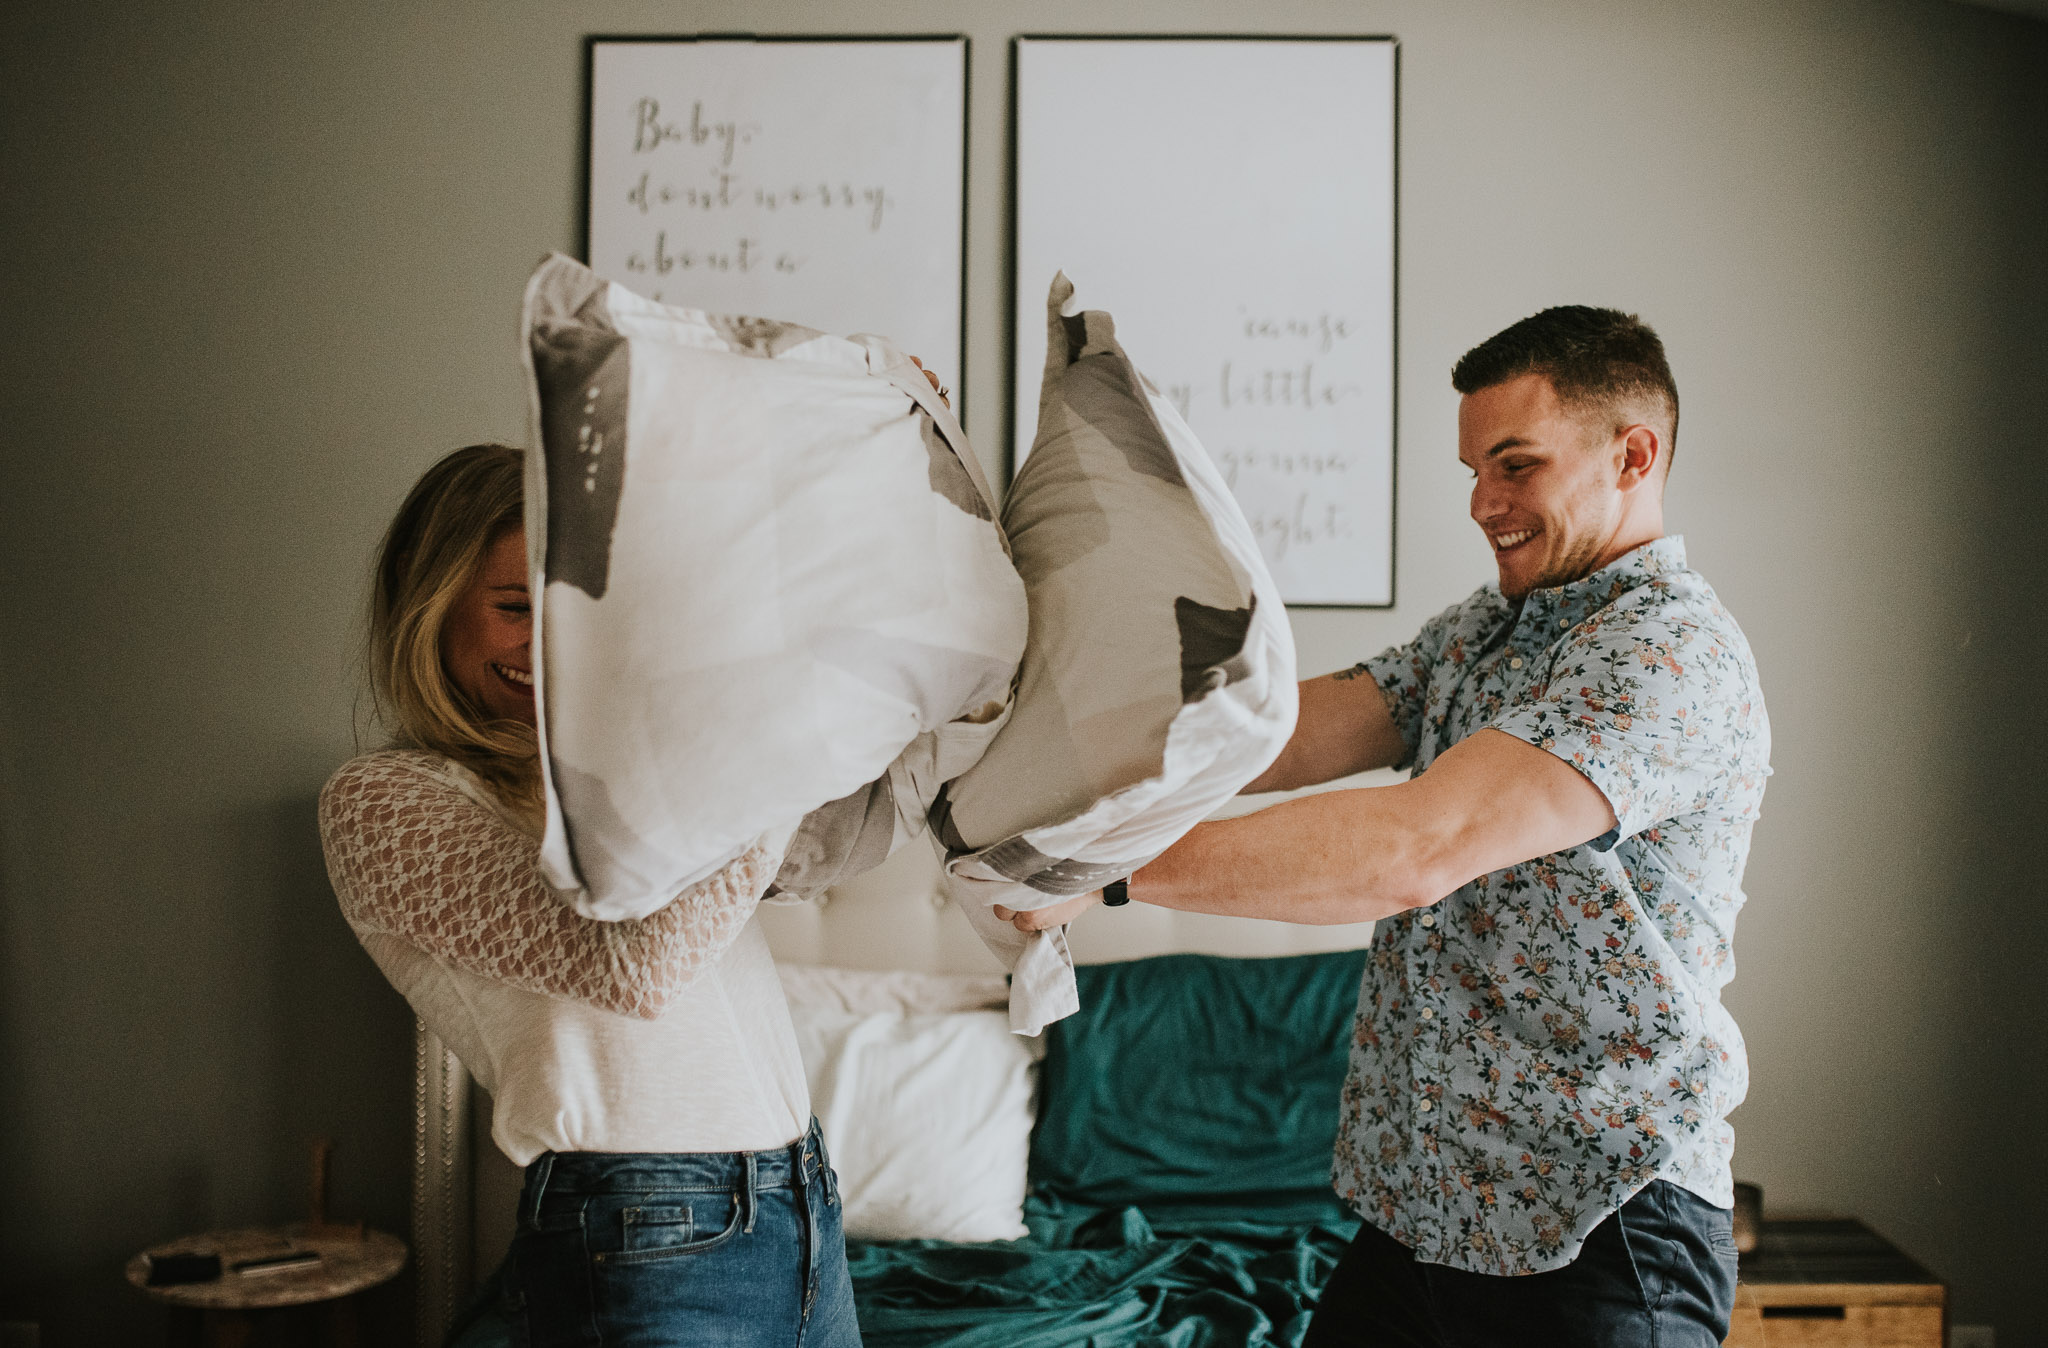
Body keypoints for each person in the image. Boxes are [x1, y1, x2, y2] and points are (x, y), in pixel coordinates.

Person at [1001, 307, 1769, 1346]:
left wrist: (1101, 868)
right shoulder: (1484, 630)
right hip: (1421, 1215)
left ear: (1631, 456)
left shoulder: (1669, 656)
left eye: (1515, 465)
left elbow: (1419, 846)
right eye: (1473, 471)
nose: (1482, 502)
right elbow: (1276, 737)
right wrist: (1040, 747)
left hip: (1599, 1220)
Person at [318, 444, 860, 1348]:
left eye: (575, 612)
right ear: (427, 603)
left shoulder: (621, 781)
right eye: (514, 608)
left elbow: (813, 850)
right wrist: (779, 734)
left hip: (802, 1198)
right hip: (648, 1222)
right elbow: (633, 972)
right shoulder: (383, 801)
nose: (549, 644)